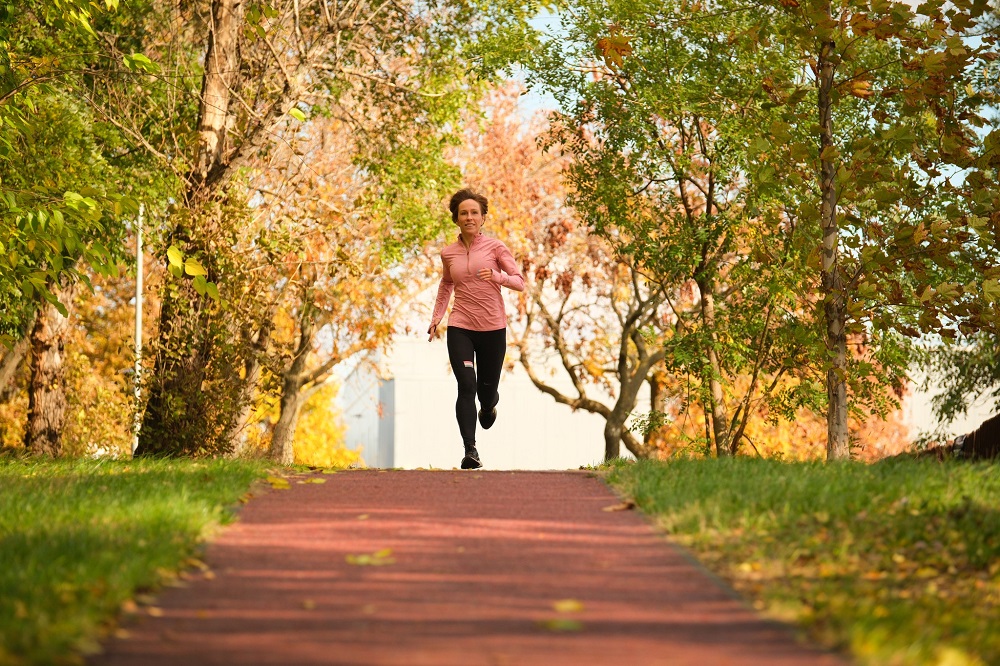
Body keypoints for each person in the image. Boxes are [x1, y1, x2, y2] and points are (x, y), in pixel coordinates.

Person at [427, 188, 524, 469]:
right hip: (461, 326)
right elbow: (446, 284)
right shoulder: (448, 253)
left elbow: (519, 281)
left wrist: (497, 276)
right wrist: (437, 317)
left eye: (474, 213)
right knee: (466, 385)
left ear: (482, 218)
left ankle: (490, 402)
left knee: (484, 391)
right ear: (456, 219)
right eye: (463, 213)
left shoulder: (496, 248)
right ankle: (471, 450)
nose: (469, 217)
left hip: (493, 328)